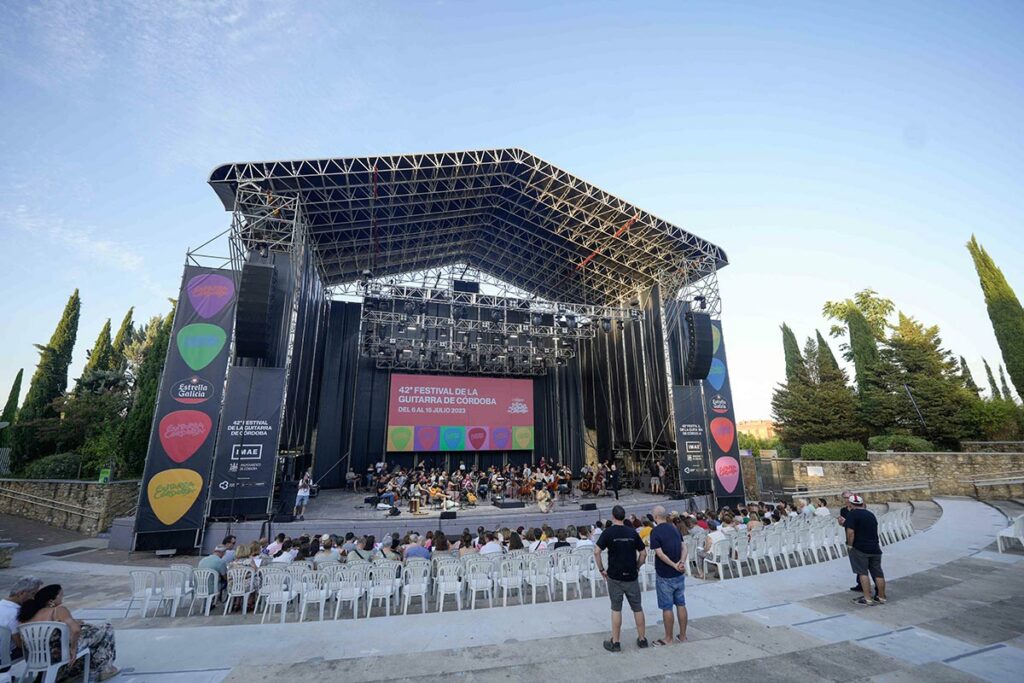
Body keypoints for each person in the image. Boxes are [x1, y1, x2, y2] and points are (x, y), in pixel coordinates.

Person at [18, 584, 119, 681]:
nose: (62, 598)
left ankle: (66, 674)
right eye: (60, 595)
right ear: (51, 601)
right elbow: (76, 630)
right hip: (61, 653)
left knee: (92, 636)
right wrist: (73, 649)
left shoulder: (26, 615)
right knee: (106, 629)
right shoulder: (58, 610)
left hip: (37, 657)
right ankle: (105, 670)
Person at [594, 505, 648, 652]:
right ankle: (642, 639)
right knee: (637, 608)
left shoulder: (608, 532)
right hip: (631, 576)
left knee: (616, 608)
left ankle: (616, 642)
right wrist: (637, 567)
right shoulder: (632, 532)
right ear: (624, 517)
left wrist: (601, 569)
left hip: (615, 576)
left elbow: (597, 552)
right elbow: (643, 553)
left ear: (613, 516)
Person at [649, 505, 688, 645]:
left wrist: (674, 564)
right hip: (678, 574)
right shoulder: (674, 528)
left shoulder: (655, 532)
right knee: (681, 604)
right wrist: (681, 562)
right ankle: (682, 636)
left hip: (665, 574)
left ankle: (668, 638)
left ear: (655, 517)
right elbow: (684, 547)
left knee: (667, 607)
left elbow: (660, 554)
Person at [844, 495, 887, 605]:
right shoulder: (870, 514)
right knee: (878, 573)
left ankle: (867, 598)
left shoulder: (852, 515)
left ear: (851, 504)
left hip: (860, 548)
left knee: (863, 573)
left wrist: (850, 545)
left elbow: (850, 532)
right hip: (874, 547)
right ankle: (881, 596)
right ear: (862, 503)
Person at [1, 576, 41, 658]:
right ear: (21, 593)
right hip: (5, 656)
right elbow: (19, 644)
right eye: (33, 594)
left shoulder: (2, 604)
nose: (34, 598)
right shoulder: (16, 613)